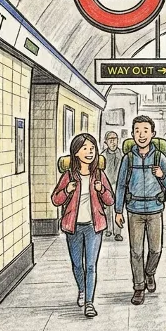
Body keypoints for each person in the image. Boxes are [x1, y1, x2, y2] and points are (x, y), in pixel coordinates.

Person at [114, 116, 166, 306]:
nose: (141, 135)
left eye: (145, 131)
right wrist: (118, 210)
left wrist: (162, 175)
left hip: (155, 210)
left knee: (156, 250)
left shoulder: (160, 157)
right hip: (134, 211)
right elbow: (121, 185)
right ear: (133, 134)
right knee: (136, 251)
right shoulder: (128, 158)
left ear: (153, 134)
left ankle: (150, 273)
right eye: (137, 131)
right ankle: (139, 287)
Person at [51, 133, 114, 318]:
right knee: (78, 264)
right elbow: (56, 199)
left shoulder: (99, 175)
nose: (89, 152)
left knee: (91, 265)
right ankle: (81, 289)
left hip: (94, 226)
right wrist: (66, 190)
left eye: (92, 148)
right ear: (76, 152)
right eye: (85, 148)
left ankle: (89, 302)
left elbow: (110, 200)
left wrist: (101, 189)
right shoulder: (69, 175)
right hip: (74, 227)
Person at [101, 131, 123, 241]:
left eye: (115, 139)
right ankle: (108, 229)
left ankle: (118, 232)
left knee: (118, 208)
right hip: (106, 185)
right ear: (106, 142)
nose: (113, 142)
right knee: (107, 209)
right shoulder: (102, 156)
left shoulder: (122, 155)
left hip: (119, 184)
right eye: (110, 140)